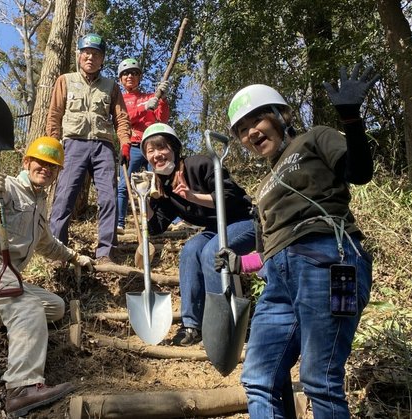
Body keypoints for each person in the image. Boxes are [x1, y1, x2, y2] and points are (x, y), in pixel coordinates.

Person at [220, 64, 379, 417]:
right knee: (258, 378)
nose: (250, 134)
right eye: (242, 131)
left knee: (319, 379)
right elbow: (265, 254)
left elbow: (358, 172)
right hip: (279, 282)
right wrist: (237, 262)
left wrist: (352, 120)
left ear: (281, 115)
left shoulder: (314, 138)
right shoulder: (262, 188)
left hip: (327, 261)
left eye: (256, 122)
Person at [0, 136, 94, 417]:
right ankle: (21, 388)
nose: (46, 169)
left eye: (53, 166)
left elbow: (47, 244)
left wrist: (74, 256)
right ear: (26, 162)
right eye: (41, 162)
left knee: (55, 306)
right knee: (27, 307)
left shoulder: (40, 203)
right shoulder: (6, 188)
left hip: (5, 275)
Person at [139, 122, 256, 346]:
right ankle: (191, 325)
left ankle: (221, 324)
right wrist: (145, 200)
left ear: (174, 148)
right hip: (215, 229)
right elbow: (156, 227)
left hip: (244, 221)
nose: (157, 155)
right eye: (150, 151)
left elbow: (231, 196)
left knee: (212, 252)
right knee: (190, 251)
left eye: (161, 147)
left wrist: (192, 196)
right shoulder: (163, 187)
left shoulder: (200, 164)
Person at [46, 33, 132, 265]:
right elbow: (54, 115)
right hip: (73, 144)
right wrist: (53, 146)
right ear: (79, 55)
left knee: (109, 198)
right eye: (87, 53)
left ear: (102, 59)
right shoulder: (65, 80)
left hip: (103, 146)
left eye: (96, 54)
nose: (91, 58)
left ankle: (106, 253)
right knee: (64, 197)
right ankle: (58, 251)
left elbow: (121, 119)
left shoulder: (111, 86)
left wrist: (125, 144)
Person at [115, 58, 169, 234]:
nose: (130, 76)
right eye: (125, 74)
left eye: (134, 73)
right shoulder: (119, 99)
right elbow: (124, 118)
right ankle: (120, 222)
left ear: (139, 77)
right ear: (120, 79)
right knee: (124, 184)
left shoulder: (149, 97)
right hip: (131, 145)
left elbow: (162, 118)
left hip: (151, 145)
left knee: (160, 182)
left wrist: (162, 99)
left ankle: (167, 219)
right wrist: (144, 107)